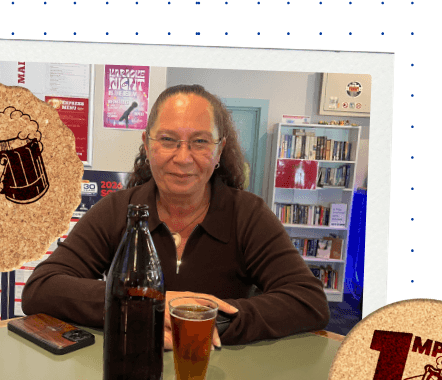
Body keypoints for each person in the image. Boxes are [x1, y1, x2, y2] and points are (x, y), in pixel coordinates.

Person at [22, 84, 330, 347]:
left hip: (220, 379)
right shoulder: (116, 210)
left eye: (200, 142)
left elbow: (308, 300)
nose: (183, 158)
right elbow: (41, 289)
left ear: (219, 150)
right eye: (168, 140)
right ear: (147, 144)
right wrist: (146, 305)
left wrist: (202, 319)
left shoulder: (248, 215)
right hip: (128, 372)